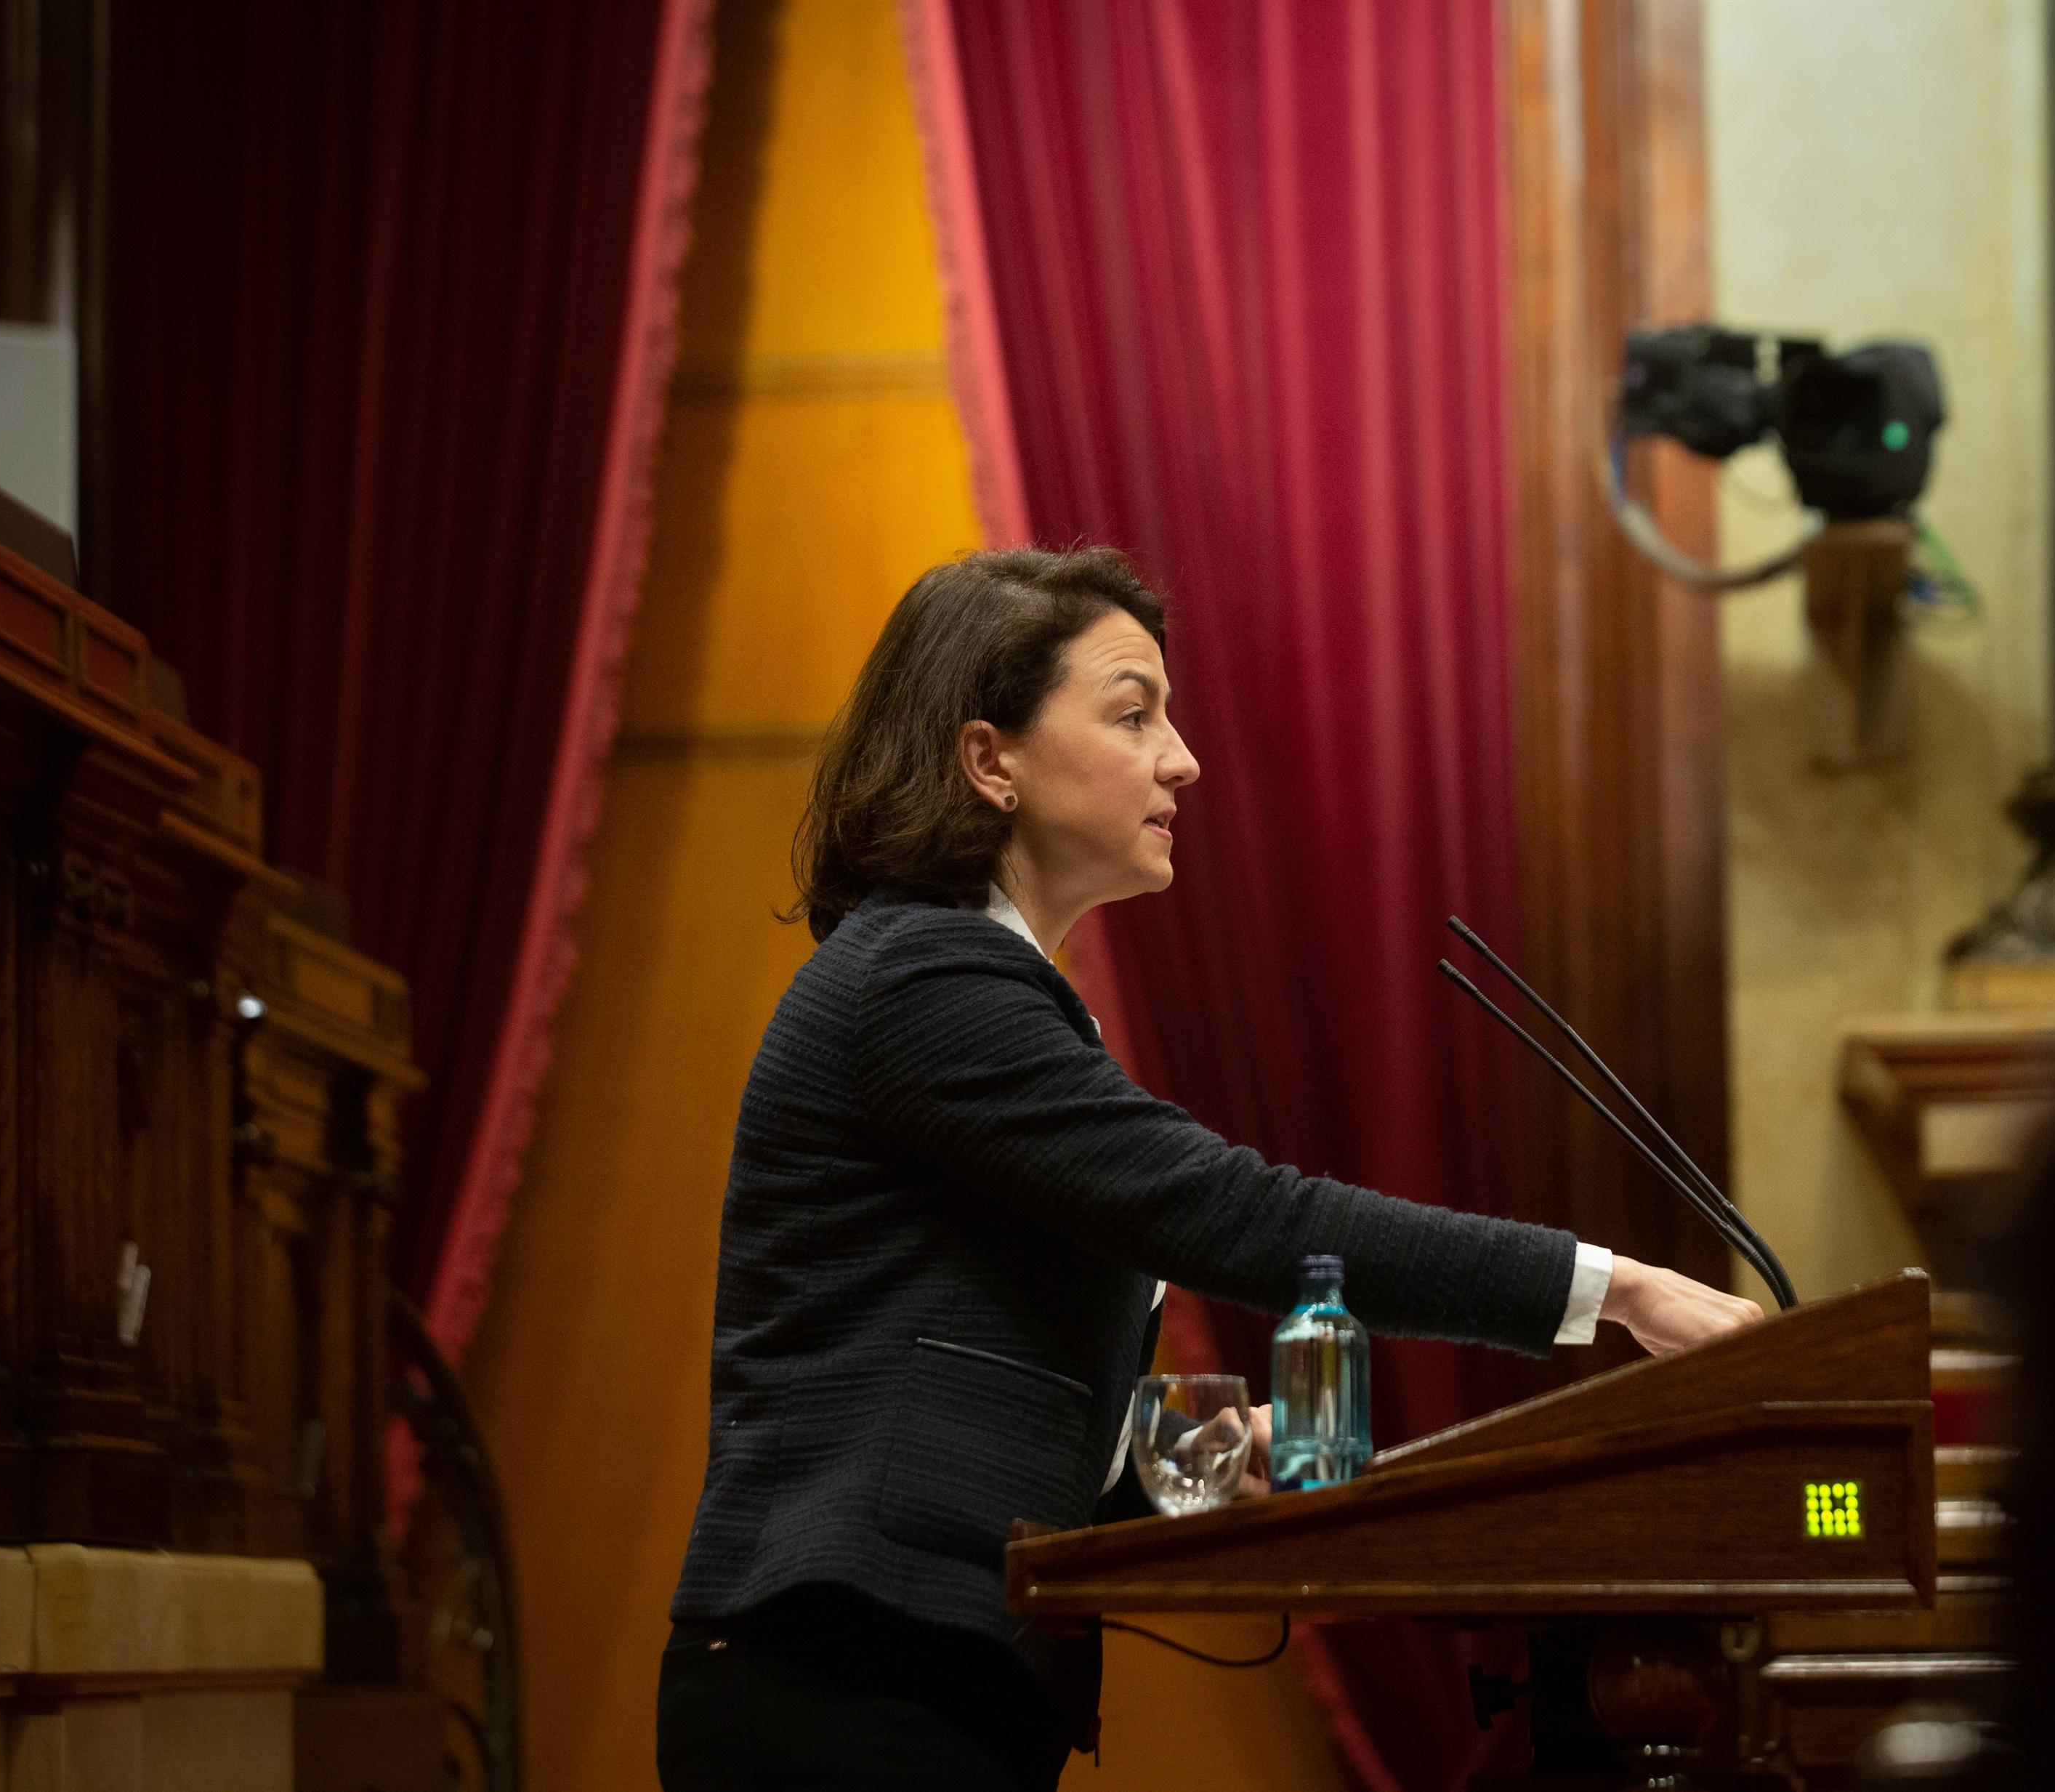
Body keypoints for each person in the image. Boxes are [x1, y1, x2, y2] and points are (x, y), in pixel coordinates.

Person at [655, 546, 1761, 1791]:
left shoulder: (981, 989)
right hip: (844, 1677)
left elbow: (949, 1359)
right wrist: (1619, 1287)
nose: (1182, 758)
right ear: (989, 760)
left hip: (906, 1677)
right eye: (1135, 715)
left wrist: (1168, 1459)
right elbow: (1238, 1213)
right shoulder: (925, 981)